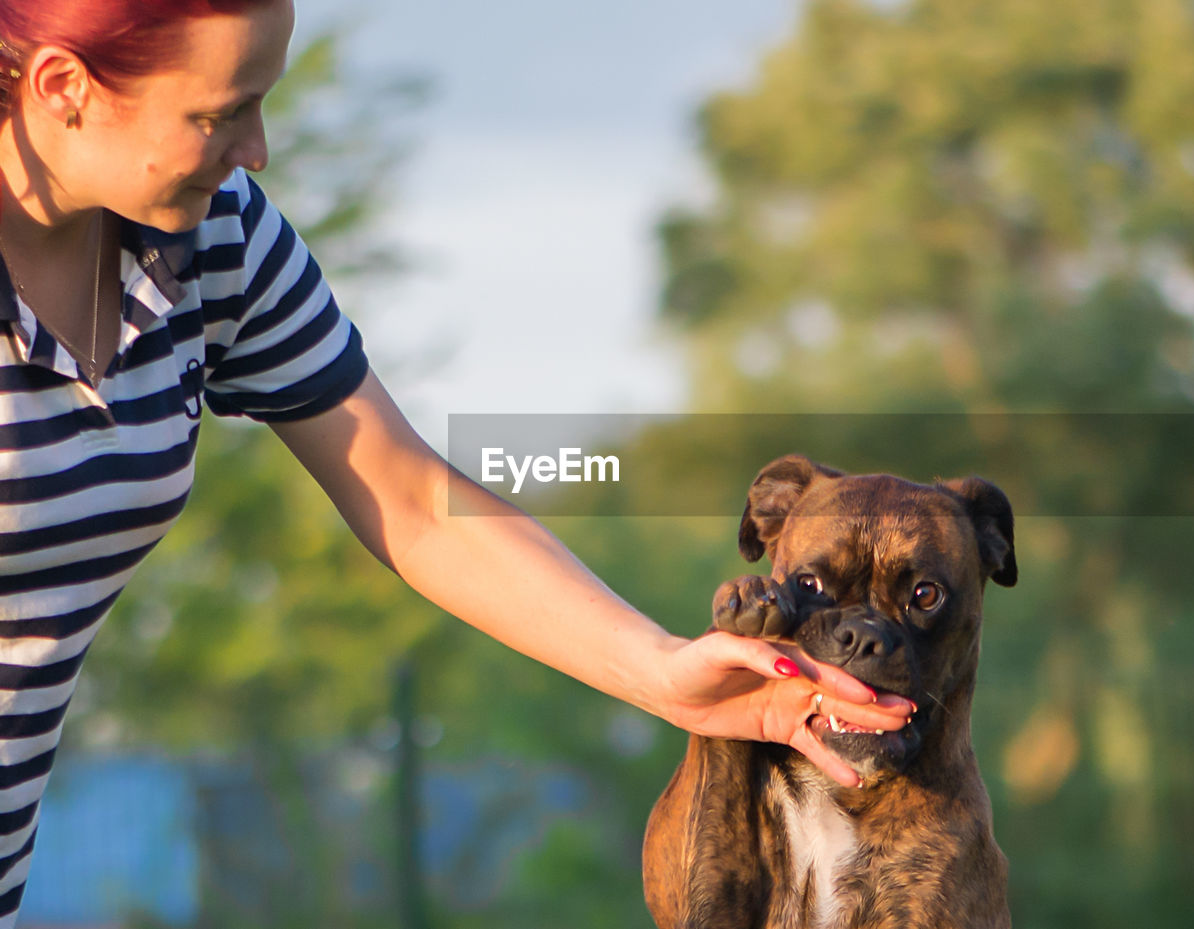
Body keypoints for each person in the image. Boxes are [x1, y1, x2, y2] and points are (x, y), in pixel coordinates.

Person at [0, 0, 912, 921]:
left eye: (260, 102)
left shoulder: (210, 238)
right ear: (63, 87)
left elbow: (407, 492)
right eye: (219, 113)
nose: (257, 148)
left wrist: (666, 672)